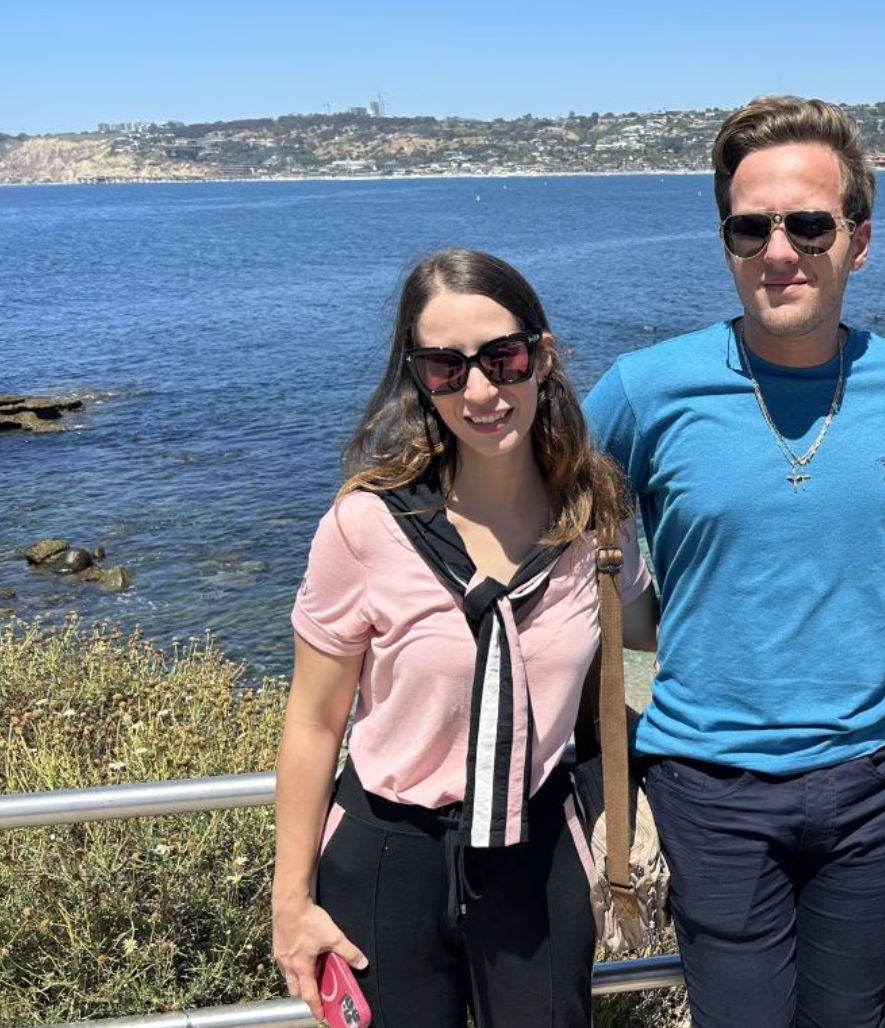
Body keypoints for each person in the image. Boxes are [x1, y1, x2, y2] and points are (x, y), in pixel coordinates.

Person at [584, 96, 885, 1028]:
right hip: (708, 782)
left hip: (872, 776)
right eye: (750, 227)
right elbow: (546, 511)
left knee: (851, 1017)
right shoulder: (646, 388)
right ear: (726, 239)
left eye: (808, 224)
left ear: (859, 239)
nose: (779, 251)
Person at [271, 249, 658, 1028]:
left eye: (502, 358)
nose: (480, 390)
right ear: (419, 378)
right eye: (446, 368)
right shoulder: (364, 527)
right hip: (389, 856)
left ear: (542, 357)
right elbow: (314, 724)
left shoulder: (593, 523)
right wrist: (290, 905)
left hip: (539, 851)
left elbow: (658, 629)